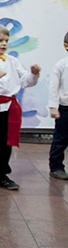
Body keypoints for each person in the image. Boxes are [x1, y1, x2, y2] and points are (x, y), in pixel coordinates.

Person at [0, 23, 40, 191]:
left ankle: (2, 175)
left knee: (5, 142)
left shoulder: (12, 61)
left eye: (6, 40)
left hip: (8, 107)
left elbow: (25, 81)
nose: (4, 44)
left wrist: (33, 73)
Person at [49, 32, 68, 180]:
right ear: (66, 46)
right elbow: (54, 88)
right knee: (61, 138)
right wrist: (53, 107)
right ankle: (56, 167)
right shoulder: (61, 65)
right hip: (65, 107)